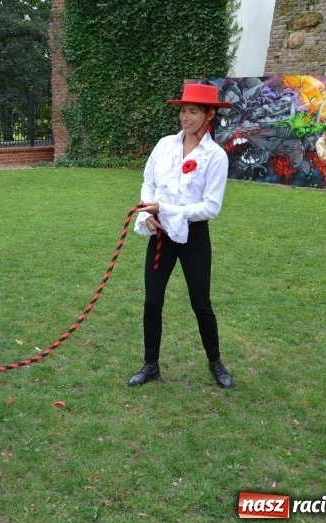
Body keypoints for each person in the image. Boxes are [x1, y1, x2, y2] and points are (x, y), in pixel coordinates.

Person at [128, 83, 233, 389]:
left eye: (193, 111)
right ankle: (150, 365)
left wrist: (168, 210)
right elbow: (148, 182)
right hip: (160, 234)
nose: (185, 117)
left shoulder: (215, 156)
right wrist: (148, 214)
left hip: (193, 237)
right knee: (152, 301)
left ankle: (216, 363)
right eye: (183, 110)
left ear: (209, 114)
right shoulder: (164, 145)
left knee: (201, 303)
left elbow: (210, 207)